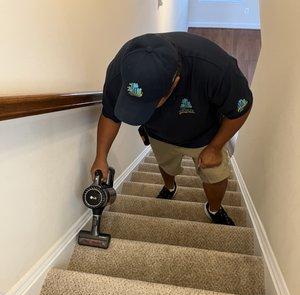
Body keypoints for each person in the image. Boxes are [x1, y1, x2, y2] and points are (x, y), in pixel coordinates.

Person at [91, 32, 253, 226]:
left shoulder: (216, 69)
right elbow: (110, 114)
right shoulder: (121, 69)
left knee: (215, 176)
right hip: (159, 134)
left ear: (175, 82)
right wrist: (101, 156)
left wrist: (215, 147)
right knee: (166, 164)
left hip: (206, 136)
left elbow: (240, 110)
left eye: (150, 103)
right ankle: (169, 188)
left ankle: (214, 209)